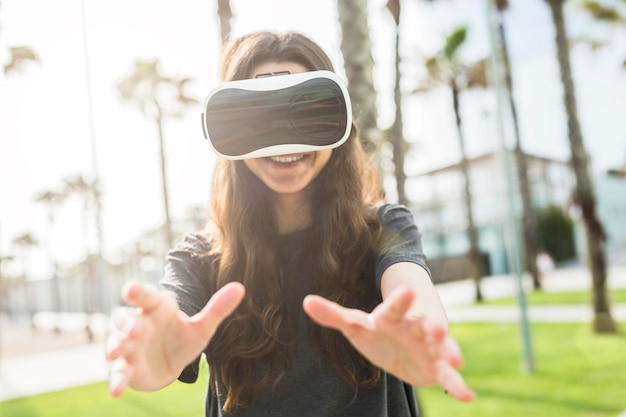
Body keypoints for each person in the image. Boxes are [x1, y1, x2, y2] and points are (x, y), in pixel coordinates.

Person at [106, 30, 475, 417]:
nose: (284, 144)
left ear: (341, 122)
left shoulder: (384, 228)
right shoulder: (199, 257)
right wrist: (152, 351)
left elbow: (414, 297)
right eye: (259, 118)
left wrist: (421, 333)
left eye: (307, 111)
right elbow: (170, 322)